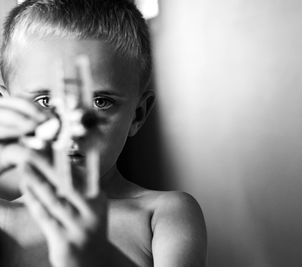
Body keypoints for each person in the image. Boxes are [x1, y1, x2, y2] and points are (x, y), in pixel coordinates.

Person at [0, 1, 207, 267]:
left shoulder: (162, 215)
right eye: (45, 101)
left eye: (101, 102)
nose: (71, 126)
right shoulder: (5, 220)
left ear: (138, 114)